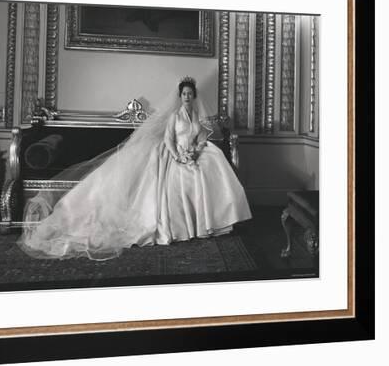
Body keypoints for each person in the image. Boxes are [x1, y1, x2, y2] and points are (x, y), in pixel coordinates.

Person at [17, 76, 252, 261]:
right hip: (174, 153)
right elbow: (169, 140)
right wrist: (178, 156)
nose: (187, 97)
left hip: (190, 152)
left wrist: (196, 149)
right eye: (184, 94)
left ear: (194, 96)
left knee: (213, 161)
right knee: (171, 182)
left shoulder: (195, 118)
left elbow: (201, 136)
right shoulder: (175, 117)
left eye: (190, 94)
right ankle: (180, 225)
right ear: (180, 96)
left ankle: (210, 224)